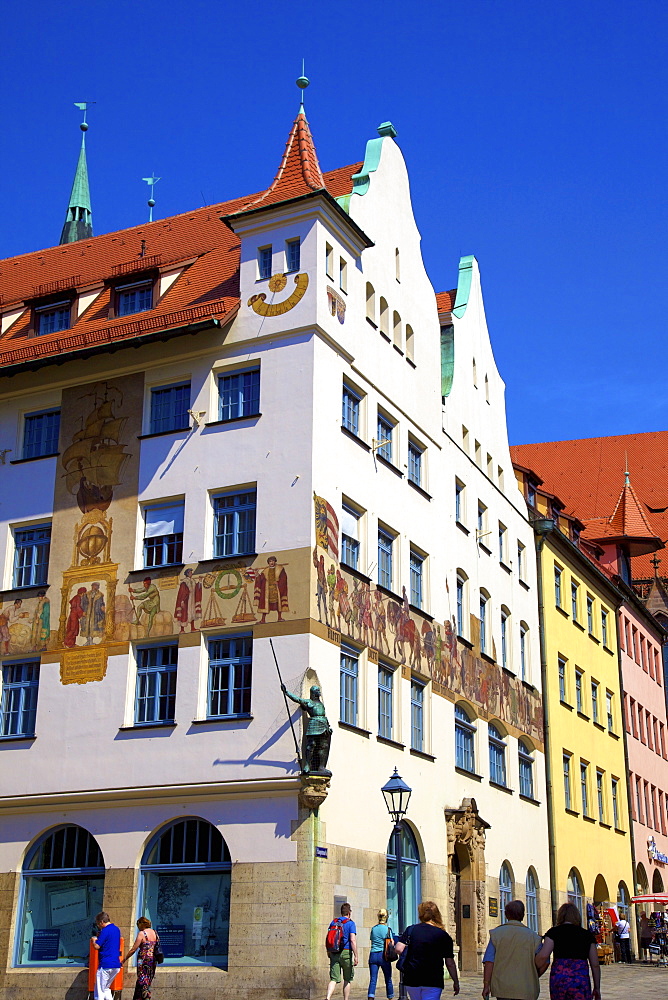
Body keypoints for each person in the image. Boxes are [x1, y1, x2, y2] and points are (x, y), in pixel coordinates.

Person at [534, 902, 600, 1000]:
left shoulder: (554, 932)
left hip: (559, 980)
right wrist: (597, 987)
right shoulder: (587, 935)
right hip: (580, 980)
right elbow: (595, 964)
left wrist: (534, 969)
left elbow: (543, 956)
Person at [395, 899, 460, 998]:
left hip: (412, 977)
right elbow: (449, 962)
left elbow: (398, 949)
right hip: (433, 979)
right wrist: (455, 981)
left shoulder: (411, 930)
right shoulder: (443, 935)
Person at [482, 899, 542, 1000]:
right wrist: (535, 975)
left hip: (503, 987)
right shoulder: (533, 937)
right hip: (526, 987)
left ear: (506, 914)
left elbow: (489, 961)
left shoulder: (497, 934)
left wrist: (486, 985)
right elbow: (544, 960)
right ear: (523, 915)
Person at [326, 902, 358, 1000]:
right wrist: (356, 955)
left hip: (334, 952)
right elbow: (352, 940)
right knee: (347, 979)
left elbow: (328, 938)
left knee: (334, 979)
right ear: (349, 913)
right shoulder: (350, 923)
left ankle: (328, 997)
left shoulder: (333, 922)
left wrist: (328, 951)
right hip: (346, 952)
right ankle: (346, 999)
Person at [122, 917, 159, 1000]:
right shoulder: (155, 933)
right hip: (153, 960)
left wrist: (125, 959)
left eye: (138, 925)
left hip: (144, 960)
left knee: (142, 980)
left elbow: (133, 949)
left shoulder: (142, 934)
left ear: (141, 924)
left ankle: (146, 996)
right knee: (147, 980)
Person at [91, 911, 121, 1000]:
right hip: (116, 965)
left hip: (105, 965)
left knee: (99, 991)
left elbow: (97, 946)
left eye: (98, 924)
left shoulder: (105, 930)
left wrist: (93, 940)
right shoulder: (116, 929)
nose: (98, 926)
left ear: (101, 922)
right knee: (106, 989)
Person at [368, 908, 395, 1000]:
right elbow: (392, 942)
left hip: (373, 954)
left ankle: (371, 996)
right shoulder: (387, 929)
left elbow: (372, 940)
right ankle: (390, 997)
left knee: (373, 979)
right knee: (388, 979)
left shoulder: (374, 929)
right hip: (384, 956)